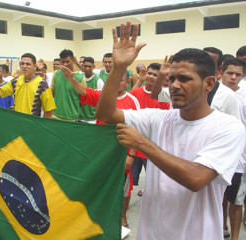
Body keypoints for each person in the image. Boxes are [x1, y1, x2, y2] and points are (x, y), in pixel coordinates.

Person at [95, 21, 245, 240]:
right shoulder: (159, 118)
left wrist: (143, 144)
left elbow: (196, 178)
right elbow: (106, 114)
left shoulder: (228, 128)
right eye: (172, 78)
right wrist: (118, 68)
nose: (174, 85)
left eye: (184, 79)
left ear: (209, 83)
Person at [60, 65, 139, 228]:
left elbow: (138, 129)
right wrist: (71, 79)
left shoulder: (132, 101)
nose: (117, 84)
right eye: (114, 80)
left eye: (121, 80)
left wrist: (131, 155)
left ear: (127, 82)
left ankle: (122, 217)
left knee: (124, 188)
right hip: (102, 152)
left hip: (122, 152)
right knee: (102, 182)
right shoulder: (104, 96)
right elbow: (84, 91)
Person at [128, 62, 171, 196]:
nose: (151, 77)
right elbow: (126, 100)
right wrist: (139, 81)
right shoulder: (135, 92)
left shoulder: (164, 98)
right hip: (133, 146)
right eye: (150, 73)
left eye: (155, 75)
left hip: (152, 146)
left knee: (154, 181)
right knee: (128, 181)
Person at [221, 57, 246, 240]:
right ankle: (221, 229)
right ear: (222, 71)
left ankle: (235, 237)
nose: (233, 77)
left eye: (238, 74)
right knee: (217, 197)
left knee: (236, 201)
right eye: (230, 72)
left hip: (239, 159)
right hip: (217, 156)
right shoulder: (211, 92)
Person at [0, 53, 55, 117]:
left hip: (32, 124)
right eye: (22, 64)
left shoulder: (42, 84)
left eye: (28, 64)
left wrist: (41, 126)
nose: (24, 66)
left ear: (35, 66)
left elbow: (48, 110)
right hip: (17, 122)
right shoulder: (15, 81)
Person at [51, 49, 86, 121]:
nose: (65, 64)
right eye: (62, 62)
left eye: (67, 61)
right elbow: (52, 92)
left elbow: (84, 100)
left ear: (73, 61)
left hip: (72, 118)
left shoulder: (80, 78)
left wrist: (72, 106)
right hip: (55, 116)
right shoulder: (56, 74)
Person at [78, 57, 104, 123]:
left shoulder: (98, 81)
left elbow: (102, 100)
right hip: (78, 117)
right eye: (85, 66)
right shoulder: (78, 78)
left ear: (94, 67)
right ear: (82, 66)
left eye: (90, 66)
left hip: (93, 118)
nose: (87, 68)